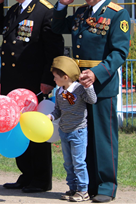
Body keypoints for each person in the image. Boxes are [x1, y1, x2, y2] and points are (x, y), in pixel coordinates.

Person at [51, 0, 130, 203]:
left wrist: (96, 73)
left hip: (101, 85)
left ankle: (106, 185)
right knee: (80, 136)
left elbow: (119, 52)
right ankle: (86, 185)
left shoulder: (117, 14)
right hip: (76, 86)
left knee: (102, 137)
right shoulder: (80, 13)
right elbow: (56, 26)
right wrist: (62, 4)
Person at [0, 0, 64, 193]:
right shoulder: (14, 10)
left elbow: (54, 50)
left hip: (33, 83)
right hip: (13, 83)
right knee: (17, 129)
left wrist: (48, 80)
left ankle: (41, 179)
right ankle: (26, 173)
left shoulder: (45, 11)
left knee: (34, 130)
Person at [47, 56, 97, 202]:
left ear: (65, 77)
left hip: (78, 132)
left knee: (79, 162)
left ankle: (83, 191)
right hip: (64, 131)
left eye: (56, 77)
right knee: (68, 163)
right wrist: (50, 116)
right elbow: (58, 110)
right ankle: (72, 188)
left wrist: (89, 87)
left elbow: (92, 100)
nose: (54, 80)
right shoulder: (59, 91)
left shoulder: (79, 89)